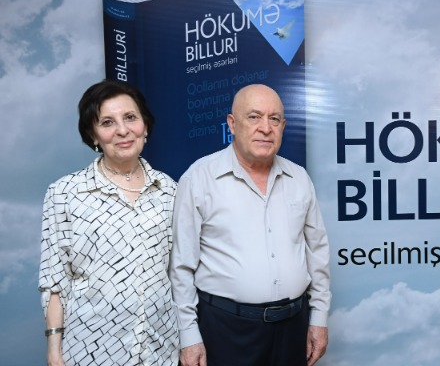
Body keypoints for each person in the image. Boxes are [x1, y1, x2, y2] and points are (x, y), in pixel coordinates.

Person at [170, 84, 331, 366]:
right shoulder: (198, 179)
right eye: (254, 117)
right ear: (232, 124)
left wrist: (318, 318)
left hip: (294, 327)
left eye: (274, 119)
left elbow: (317, 252)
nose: (265, 128)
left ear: (283, 126)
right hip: (226, 330)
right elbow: (181, 266)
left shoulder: (300, 178)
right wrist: (188, 335)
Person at [38, 80, 179, 365]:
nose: (122, 130)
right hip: (92, 351)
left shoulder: (170, 190)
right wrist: (54, 350)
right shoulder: (65, 193)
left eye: (130, 117)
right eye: (107, 122)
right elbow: (55, 279)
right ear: (93, 135)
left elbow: (179, 273)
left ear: (145, 126)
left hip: (161, 350)